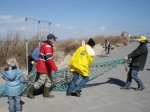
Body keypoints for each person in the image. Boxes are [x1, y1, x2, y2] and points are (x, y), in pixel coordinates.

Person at [27, 34, 58, 99]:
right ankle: (30, 92)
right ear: (50, 39)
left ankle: (46, 94)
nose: (55, 40)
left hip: (46, 67)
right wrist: (55, 68)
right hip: (44, 67)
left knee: (49, 80)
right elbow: (49, 59)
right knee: (41, 81)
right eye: (54, 39)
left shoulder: (45, 45)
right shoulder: (47, 46)